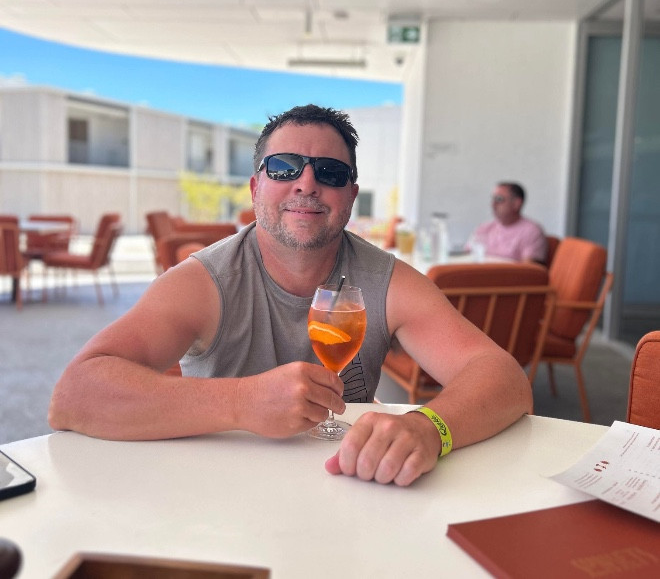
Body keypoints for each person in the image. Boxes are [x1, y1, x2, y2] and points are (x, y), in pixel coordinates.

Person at [49, 105, 532, 487]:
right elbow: (75, 395)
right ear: (256, 186)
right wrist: (241, 402)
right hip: (218, 488)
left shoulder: (387, 281)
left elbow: (504, 378)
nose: (306, 183)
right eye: (283, 168)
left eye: (330, 172)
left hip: (354, 485)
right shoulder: (204, 281)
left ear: (351, 195)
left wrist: (431, 428)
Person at [469, 182, 547, 263]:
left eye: (499, 199)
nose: (493, 204)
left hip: (509, 271)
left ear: (516, 204)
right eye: (493, 199)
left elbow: (528, 269)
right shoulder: (484, 229)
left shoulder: (531, 232)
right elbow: (466, 257)